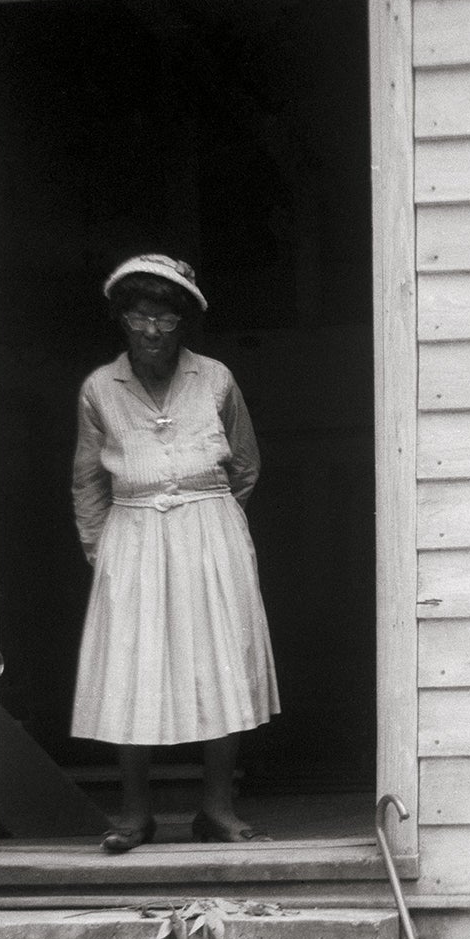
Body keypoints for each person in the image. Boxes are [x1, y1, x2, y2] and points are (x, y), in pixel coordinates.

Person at [71, 254, 278, 852]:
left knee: (218, 664)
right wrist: (102, 552)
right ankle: (135, 816)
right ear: (121, 320)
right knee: (132, 668)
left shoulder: (214, 379)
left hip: (210, 530)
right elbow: (87, 481)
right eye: (139, 318)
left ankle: (216, 809)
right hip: (130, 535)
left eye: (164, 318)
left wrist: (207, 519)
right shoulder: (98, 389)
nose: (153, 332)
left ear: (183, 322)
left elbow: (244, 464)